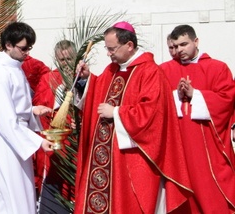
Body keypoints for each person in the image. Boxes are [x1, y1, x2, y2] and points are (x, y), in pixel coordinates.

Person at [74, 21, 192, 213]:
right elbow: (97, 93)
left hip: (132, 158)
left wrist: (116, 113)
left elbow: (153, 114)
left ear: (129, 45)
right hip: (107, 158)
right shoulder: (112, 70)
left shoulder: (150, 72)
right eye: (107, 48)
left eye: (112, 49)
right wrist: (86, 79)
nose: (108, 53)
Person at [0, 21, 53, 214]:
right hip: (7, 140)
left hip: (18, 136)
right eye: (23, 48)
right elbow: (4, 117)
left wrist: (32, 110)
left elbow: (15, 106)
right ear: (8, 45)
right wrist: (38, 142)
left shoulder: (14, 66)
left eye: (29, 48)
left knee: (23, 192)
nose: (27, 52)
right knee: (9, 194)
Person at [160, 24, 235, 213]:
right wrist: (175, 96)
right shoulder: (164, 70)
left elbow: (227, 98)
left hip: (207, 145)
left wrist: (196, 94)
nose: (179, 50)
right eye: (175, 46)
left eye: (184, 44)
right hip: (176, 145)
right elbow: (154, 101)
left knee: (210, 192)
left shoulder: (217, 68)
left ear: (196, 41)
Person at [32, 40, 77, 213]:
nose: (66, 64)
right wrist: (58, 96)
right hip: (55, 144)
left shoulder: (83, 77)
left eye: (69, 59)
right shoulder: (48, 78)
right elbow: (39, 108)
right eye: (62, 60)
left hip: (75, 145)